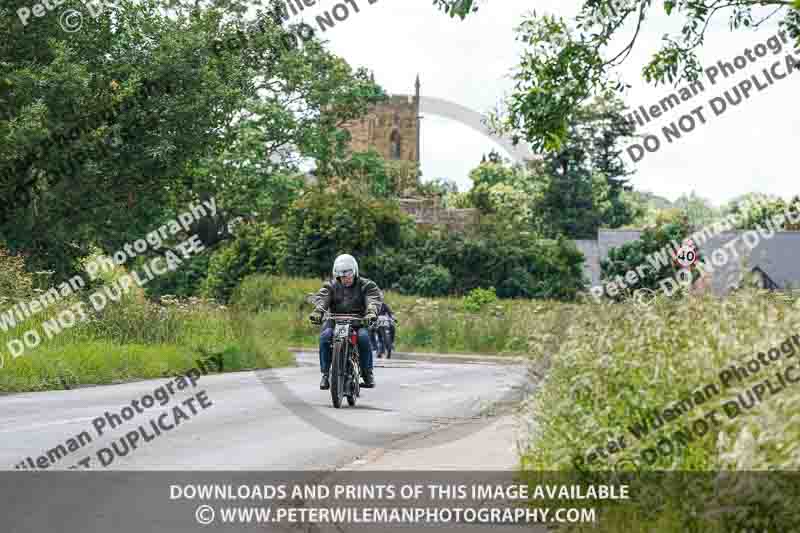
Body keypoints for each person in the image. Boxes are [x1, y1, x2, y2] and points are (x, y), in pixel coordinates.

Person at [309, 254, 381, 390]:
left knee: (364, 338)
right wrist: (318, 312)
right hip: (334, 320)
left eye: (348, 274)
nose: (345, 278)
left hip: (358, 322)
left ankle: (367, 374)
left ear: (354, 272)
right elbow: (323, 298)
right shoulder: (330, 286)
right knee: (325, 337)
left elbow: (373, 299)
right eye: (341, 276)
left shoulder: (367, 285)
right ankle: (325, 374)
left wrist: (371, 312)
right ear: (337, 275)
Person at [374, 292, 397, 357]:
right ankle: (374, 347)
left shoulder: (385, 305)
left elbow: (390, 312)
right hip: (376, 322)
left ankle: (392, 342)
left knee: (392, 327)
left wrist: (393, 317)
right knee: (370, 330)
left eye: (380, 298)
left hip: (384, 321)